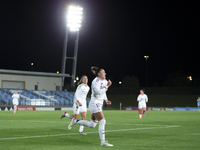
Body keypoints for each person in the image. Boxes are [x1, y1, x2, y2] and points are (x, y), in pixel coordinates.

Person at [67, 66, 113, 146]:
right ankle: (103, 142)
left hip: (99, 103)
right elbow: (98, 92)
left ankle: (75, 121)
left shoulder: (105, 81)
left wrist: (106, 100)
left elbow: (103, 92)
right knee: (103, 121)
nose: (105, 73)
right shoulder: (95, 81)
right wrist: (107, 86)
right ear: (98, 74)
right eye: (103, 72)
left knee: (92, 124)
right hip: (95, 103)